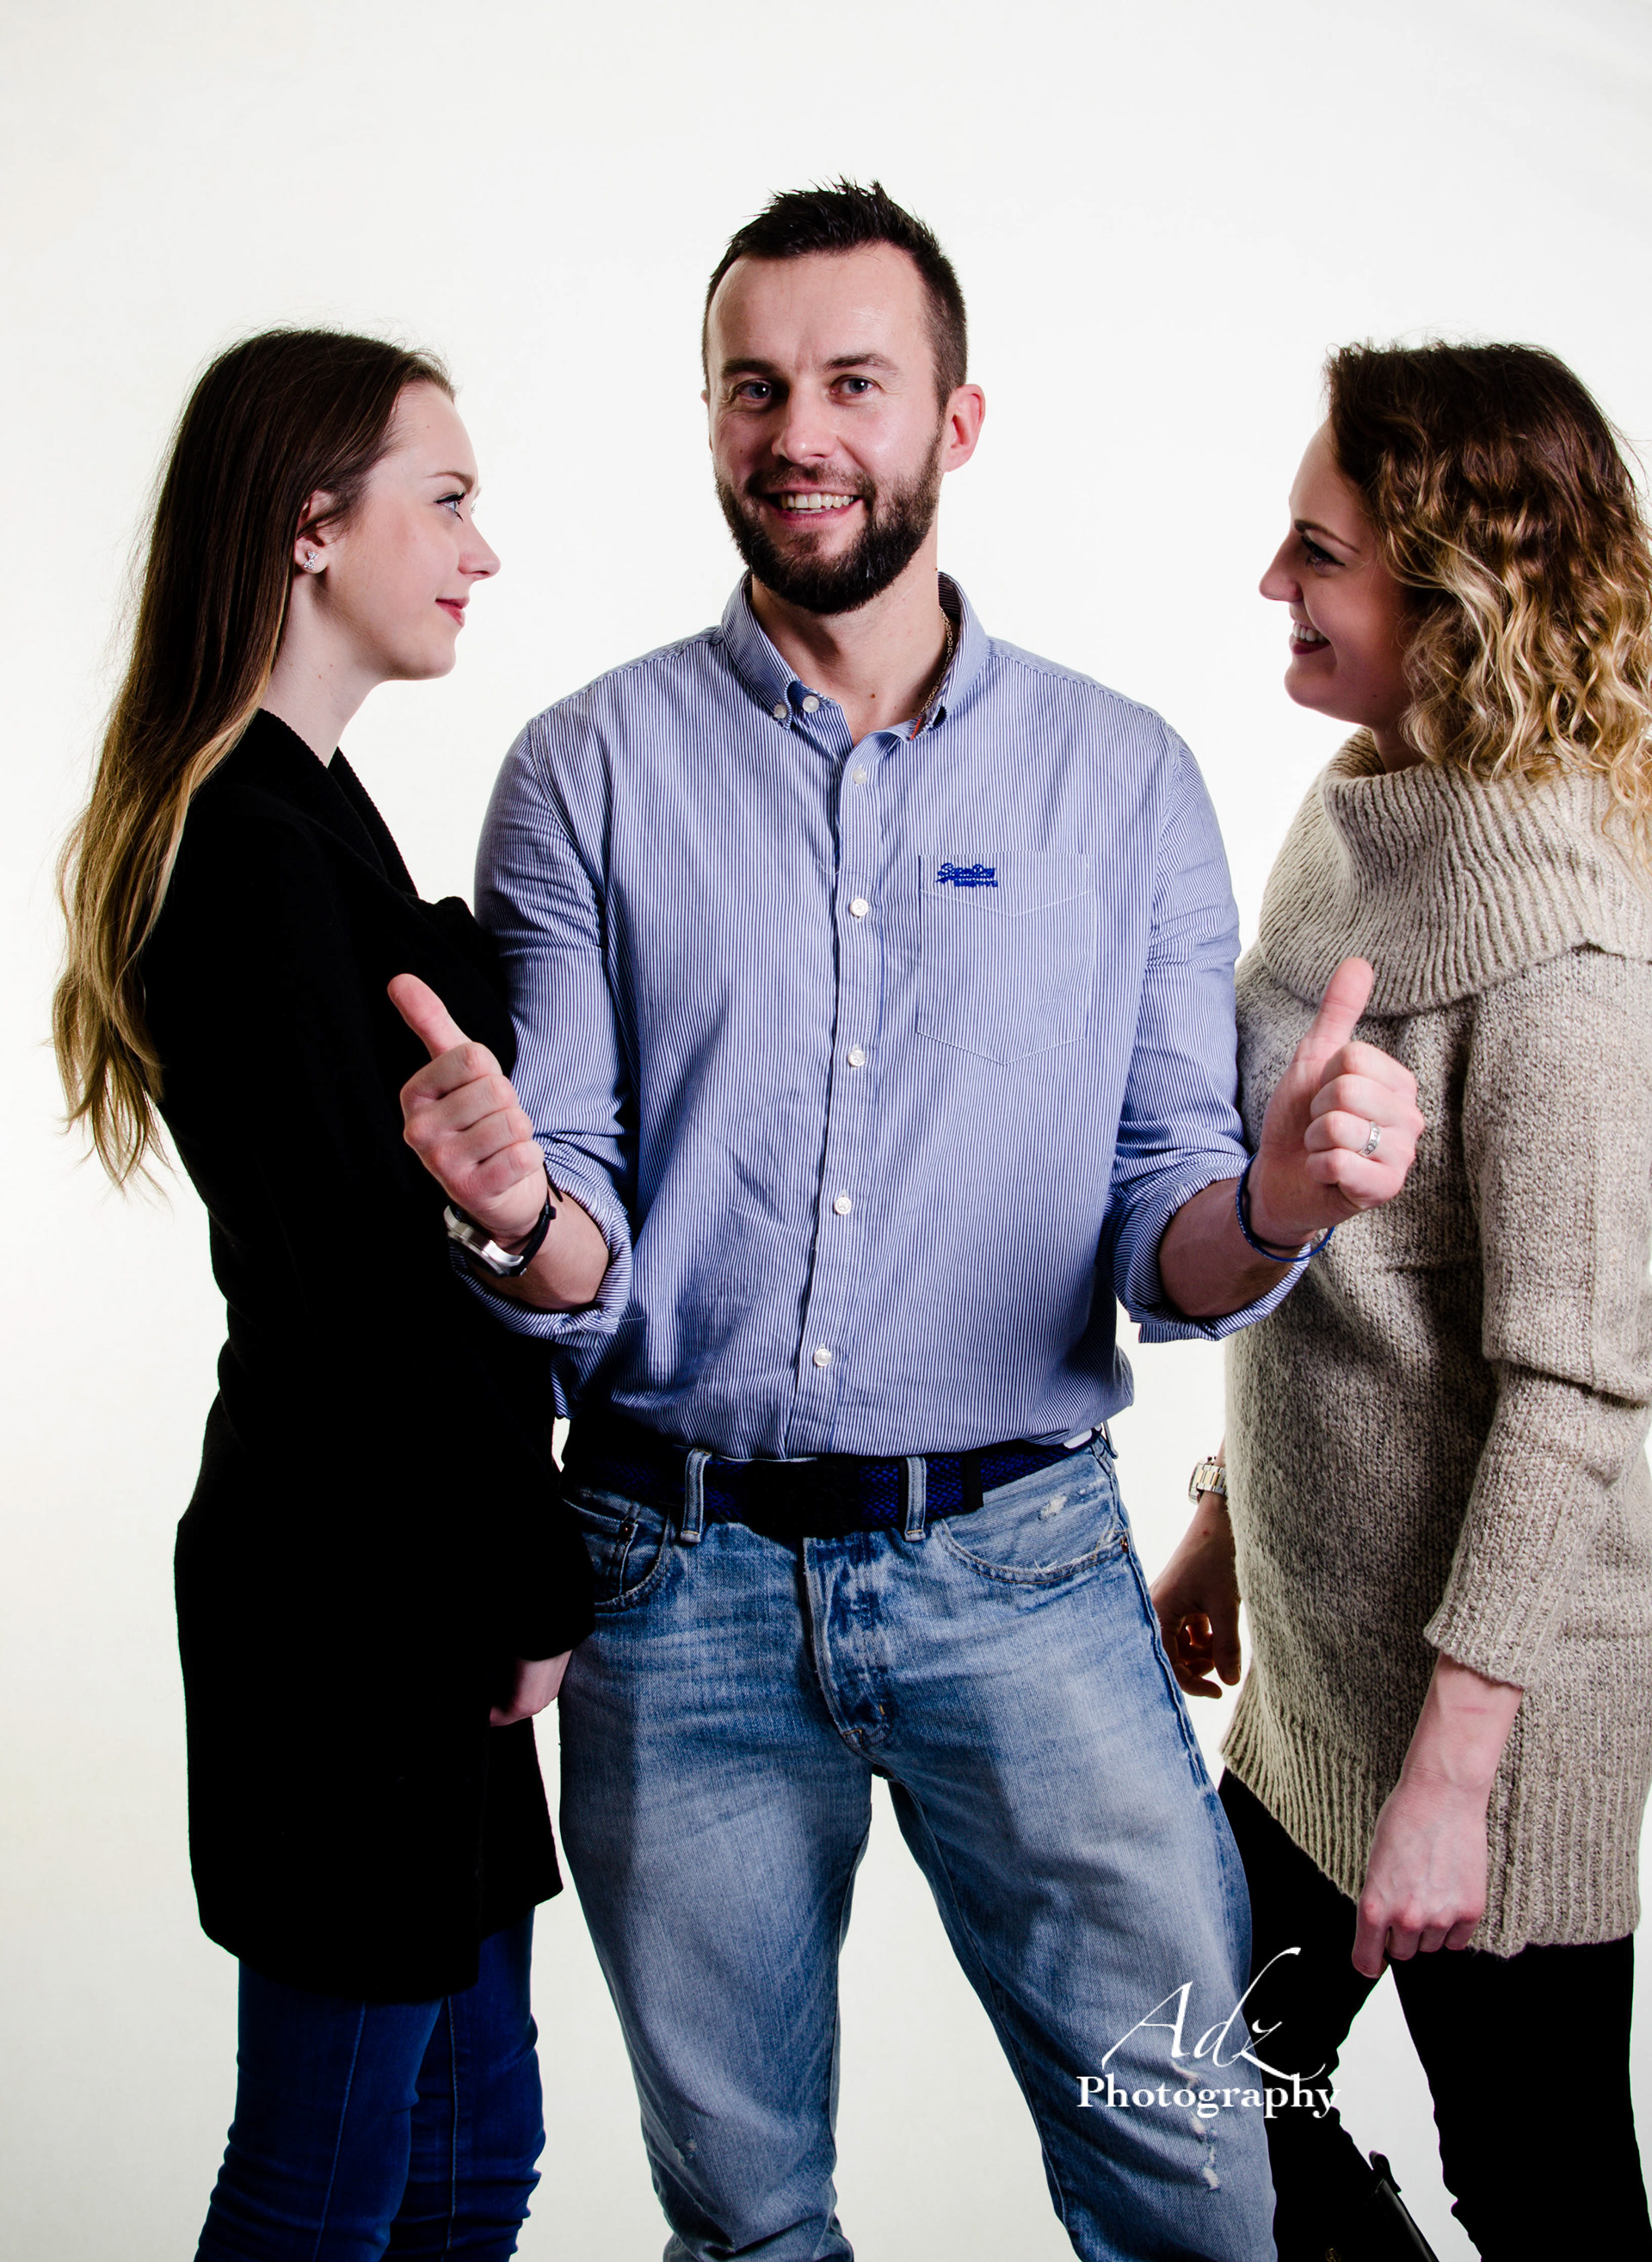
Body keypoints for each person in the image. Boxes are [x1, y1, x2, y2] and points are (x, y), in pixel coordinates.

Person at [401, 182, 1421, 2261]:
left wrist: (1281, 1198)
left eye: (854, 383)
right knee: (746, 2220)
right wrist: (512, 1215)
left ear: (955, 422)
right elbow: (579, 1242)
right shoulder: (584, 773)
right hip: (672, 1585)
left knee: (1196, 2184)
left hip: (1025, 1573)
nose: (801, 433)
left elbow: (1168, 1240)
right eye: (753, 387)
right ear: (710, 416)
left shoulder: (1123, 781)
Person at [52, 330, 595, 2260]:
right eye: (445, 500)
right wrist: (529, 1580)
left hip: (393, 1576)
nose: (480, 550)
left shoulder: (308, 809)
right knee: (328, 2187)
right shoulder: (249, 850)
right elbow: (357, 1289)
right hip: (360, 1597)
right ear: (310, 525)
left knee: (467, 2159)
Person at [1152, 342, 1652, 2260]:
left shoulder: (1568, 956)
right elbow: (1346, 1260)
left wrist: (1454, 1783)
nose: (1272, 582)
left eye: (1319, 552)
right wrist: (1226, 1519)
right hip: (1326, 1686)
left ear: (1453, 598)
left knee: (1539, 2193)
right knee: (1182, 2096)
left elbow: (1576, 1392)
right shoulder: (1373, 805)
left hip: (1485, 1728)